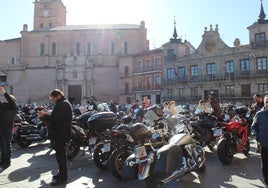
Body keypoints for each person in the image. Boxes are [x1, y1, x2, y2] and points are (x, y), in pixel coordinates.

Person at [38, 89, 72, 186]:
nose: (52, 100)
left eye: (53, 98)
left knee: (61, 157)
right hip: (59, 134)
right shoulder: (62, 103)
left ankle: (63, 177)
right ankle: (61, 174)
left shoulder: (63, 104)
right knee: (59, 156)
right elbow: (56, 116)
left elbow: (55, 119)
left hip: (61, 134)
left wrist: (43, 115)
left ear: (58, 96)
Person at [251, 94, 268, 187]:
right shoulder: (259, 114)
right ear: (264, 103)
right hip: (264, 144)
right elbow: (253, 127)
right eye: (267, 102)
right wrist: (258, 137)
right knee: (265, 164)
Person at [0, 86, 18, 169]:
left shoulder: (14, 107)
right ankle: (2, 161)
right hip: (1, 129)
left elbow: (10, 101)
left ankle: (7, 162)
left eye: (9, 99)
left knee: (6, 146)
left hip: (7, 129)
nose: (6, 100)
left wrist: (4, 93)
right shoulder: (3, 106)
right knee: (2, 147)